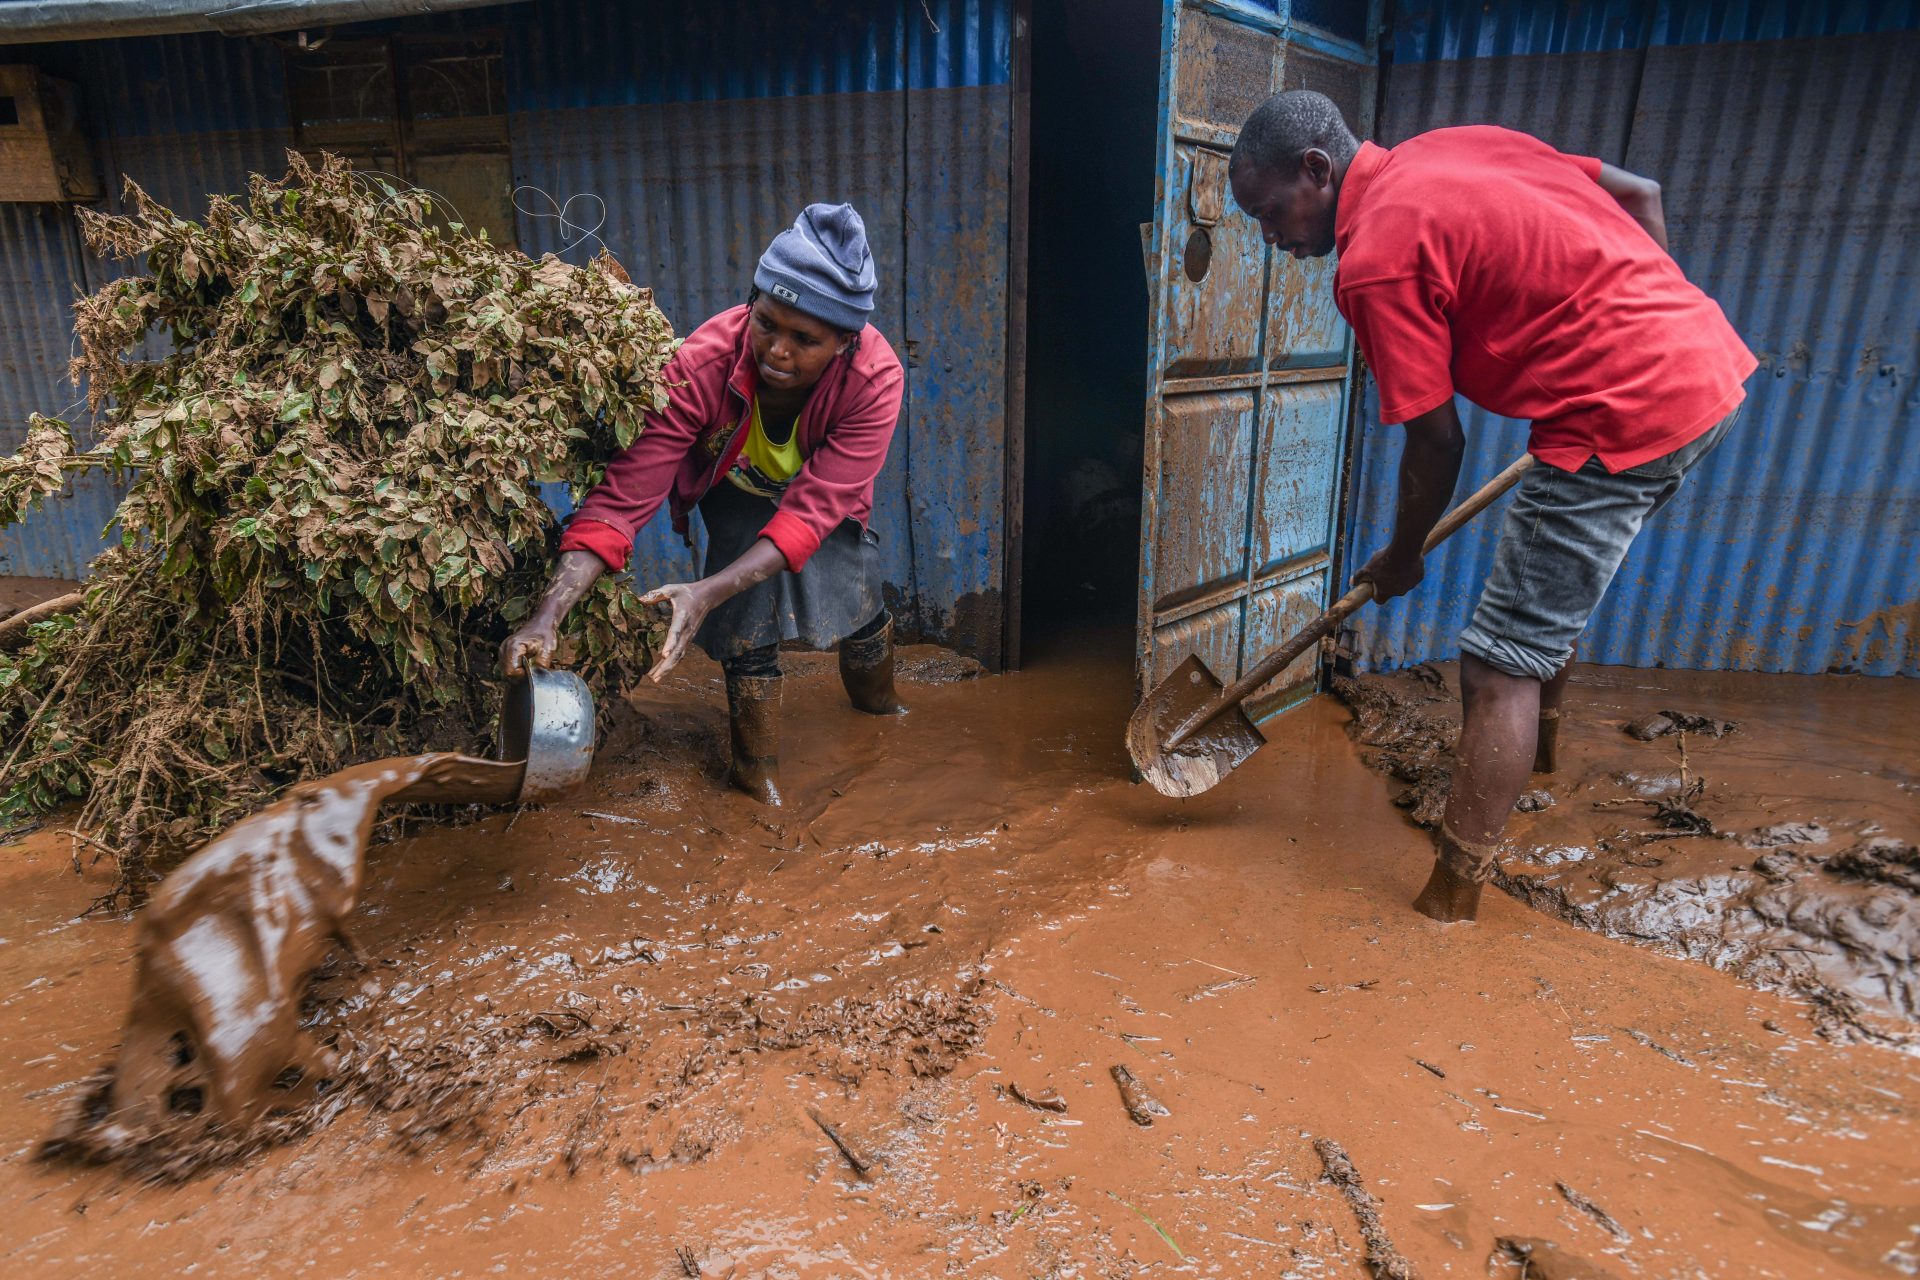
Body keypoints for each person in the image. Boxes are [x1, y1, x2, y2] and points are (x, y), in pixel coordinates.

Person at [1227, 91, 1755, 922]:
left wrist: (1404, 557)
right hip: (1705, 365)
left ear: (1316, 170)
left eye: (1268, 212)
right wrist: (1650, 317)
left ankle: (1450, 903)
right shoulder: (1455, 146)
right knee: (1546, 605)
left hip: (1614, 411)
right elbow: (1642, 192)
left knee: (1498, 663)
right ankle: (1538, 761)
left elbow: (1438, 441)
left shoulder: (1375, 260)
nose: (1270, 235)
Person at [501, 203, 907, 808]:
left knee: (861, 597)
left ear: (845, 343)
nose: (778, 351)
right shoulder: (701, 364)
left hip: (822, 499)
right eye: (766, 323)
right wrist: (547, 614)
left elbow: (811, 513)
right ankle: (756, 771)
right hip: (734, 489)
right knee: (745, 623)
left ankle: (881, 708)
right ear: (750, 303)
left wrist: (704, 590)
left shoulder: (874, 379)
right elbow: (623, 498)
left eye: (806, 340)